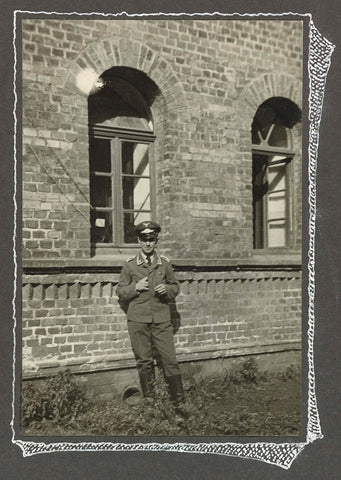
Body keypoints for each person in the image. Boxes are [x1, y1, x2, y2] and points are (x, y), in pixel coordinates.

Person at [116, 221, 187, 416]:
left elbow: (175, 286)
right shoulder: (130, 265)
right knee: (144, 361)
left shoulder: (164, 264)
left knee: (169, 359)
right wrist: (135, 288)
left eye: (152, 239)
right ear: (139, 241)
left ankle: (179, 404)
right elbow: (120, 291)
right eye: (144, 239)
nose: (148, 243)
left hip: (161, 318)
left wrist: (168, 290)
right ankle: (150, 403)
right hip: (138, 319)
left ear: (156, 241)